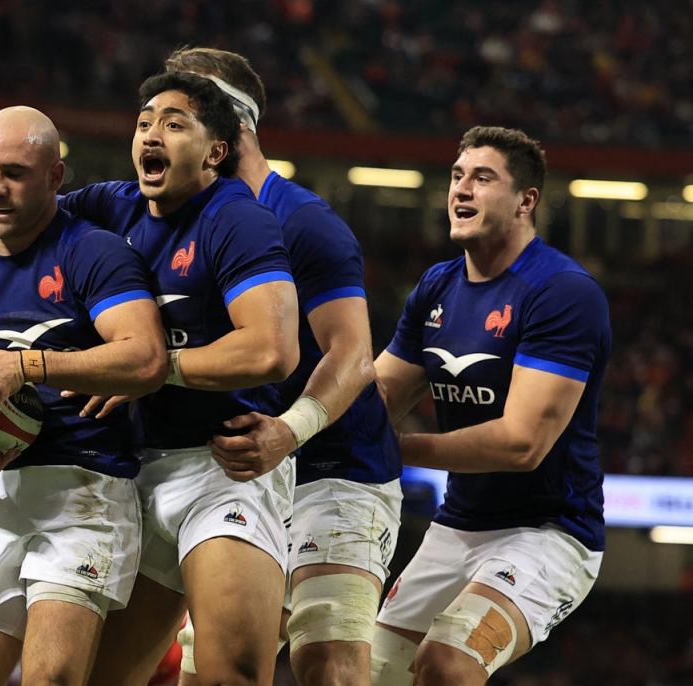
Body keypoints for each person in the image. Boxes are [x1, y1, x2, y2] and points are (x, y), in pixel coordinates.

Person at [0, 73, 301, 686]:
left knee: (229, 671)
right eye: (145, 122)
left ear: (217, 149)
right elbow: (9, 213)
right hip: (136, 466)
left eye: (174, 123)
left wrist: (142, 370)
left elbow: (271, 351)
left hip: (220, 462)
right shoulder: (115, 204)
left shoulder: (240, 220)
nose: (152, 134)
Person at [155, 48, 402, 686]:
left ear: (230, 126)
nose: (163, 129)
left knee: (329, 663)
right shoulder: (174, 219)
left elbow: (353, 356)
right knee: (211, 665)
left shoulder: (304, 221)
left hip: (335, 469)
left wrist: (289, 430)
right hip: (238, 472)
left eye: (185, 114)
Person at [0, 105, 167, 686]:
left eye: (15, 172)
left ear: (55, 177)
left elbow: (145, 355)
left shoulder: (94, 251)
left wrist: (25, 367)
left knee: (51, 680)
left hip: (87, 492)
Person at [370, 126, 610, 686]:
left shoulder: (562, 292)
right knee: (370, 673)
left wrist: (394, 448)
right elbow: (378, 395)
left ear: (526, 201)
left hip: (549, 534)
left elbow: (521, 443)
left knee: (447, 664)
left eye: (482, 178)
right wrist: (297, 425)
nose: (461, 190)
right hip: (457, 525)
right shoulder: (437, 285)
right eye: (457, 176)